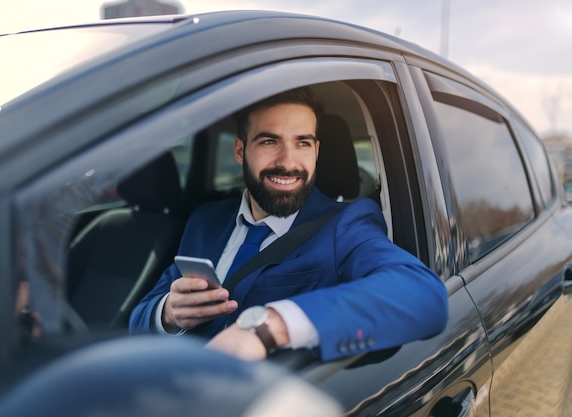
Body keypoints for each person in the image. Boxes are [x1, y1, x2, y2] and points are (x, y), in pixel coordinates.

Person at [129, 87, 448, 361]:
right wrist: (169, 312)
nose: (288, 161)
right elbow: (140, 316)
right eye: (270, 142)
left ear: (316, 151)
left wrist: (269, 326)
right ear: (240, 151)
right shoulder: (205, 220)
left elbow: (424, 295)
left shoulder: (347, 225)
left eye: (303, 143)